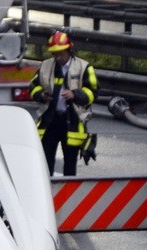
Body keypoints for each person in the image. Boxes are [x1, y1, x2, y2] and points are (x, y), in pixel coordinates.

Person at [29, 31, 99, 176]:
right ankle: (47, 194)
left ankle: (69, 195)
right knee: (45, 163)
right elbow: (33, 86)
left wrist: (75, 94)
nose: (58, 57)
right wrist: (42, 95)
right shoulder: (45, 66)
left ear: (69, 50)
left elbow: (93, 91)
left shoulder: (83, 66)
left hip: (72, 120)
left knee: (70, 164)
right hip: (50, 121)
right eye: (55, 54)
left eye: (61, 53)